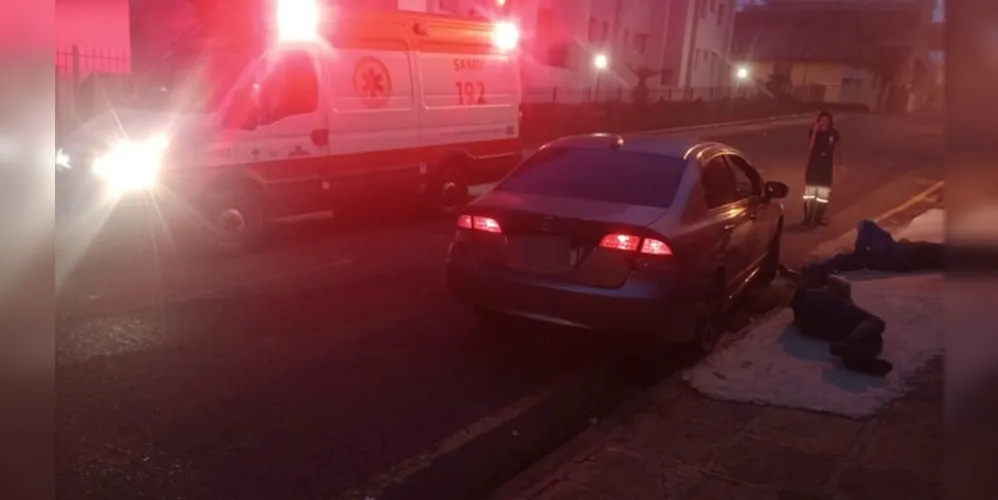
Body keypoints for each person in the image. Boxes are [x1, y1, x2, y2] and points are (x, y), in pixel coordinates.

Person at [803, 111, 844, 225]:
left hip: (826, 166)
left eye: (826, 120)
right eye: (821, 120)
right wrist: (815, 131)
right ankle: (807, 217)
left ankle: (818, 217)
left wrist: (840, 163)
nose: (823, 122)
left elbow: (838, 148)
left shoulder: (834, 133)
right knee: (809, 194)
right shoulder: (813, 132)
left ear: (830, 121)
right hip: (814, 165)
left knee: (823, 194)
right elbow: (810, 146)